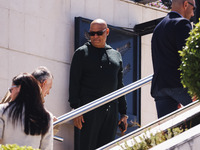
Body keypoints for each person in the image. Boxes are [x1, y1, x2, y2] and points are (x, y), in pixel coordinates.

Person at [68, 18, 128, 150]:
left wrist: (123, 113)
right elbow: (74, 83)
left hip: (111, 110)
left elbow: (120, 86)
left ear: (107, 32)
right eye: (91, 34)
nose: (95, 37)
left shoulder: (116, 55)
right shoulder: (81, 53)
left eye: (99, 33)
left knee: (107, 147)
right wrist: (76, 110)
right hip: (88, 109)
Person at [151, 0, 196, 118]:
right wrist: (195, 88)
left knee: (167, 131)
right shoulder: (183, 24)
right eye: (193, 9)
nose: (193, 14)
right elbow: (187, 59)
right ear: (186, 4)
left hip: (160, 87)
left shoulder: (158, 28)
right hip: (179, 85)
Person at [0, 73, 53, 149]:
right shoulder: (47, 116)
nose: (10, 95)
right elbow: (47, 147)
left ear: (19, 88)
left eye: (11, 90)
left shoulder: (2, 110)